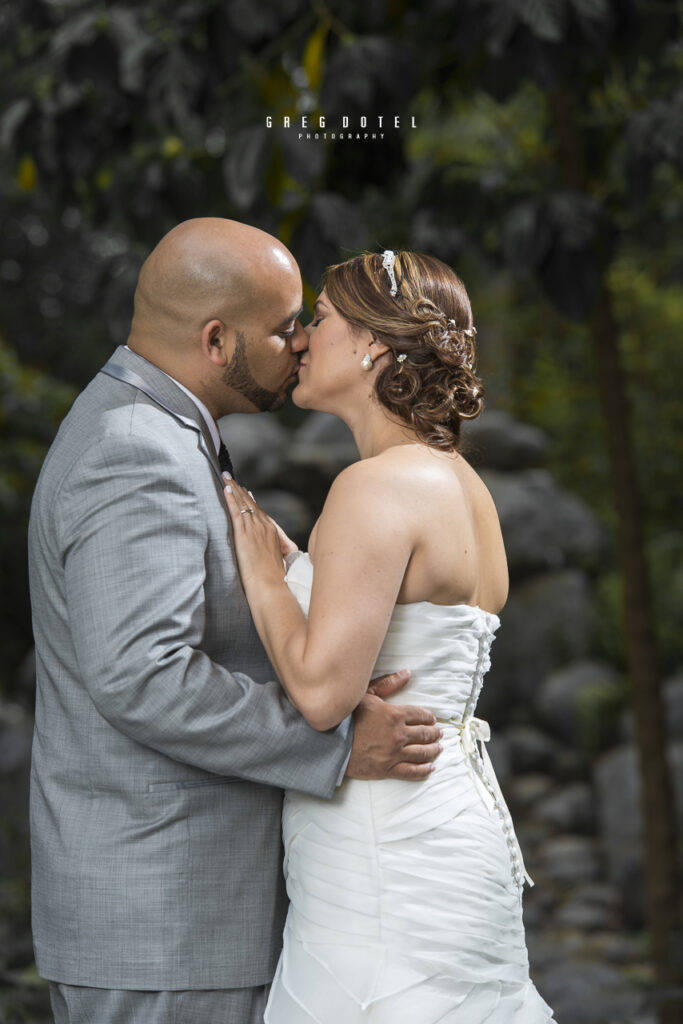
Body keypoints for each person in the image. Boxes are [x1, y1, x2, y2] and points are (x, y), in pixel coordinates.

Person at [27, 220, 443, 1024]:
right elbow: (143, 678)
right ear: (216, 341)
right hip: (165, 924)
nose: (299, 344)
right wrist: (335, 739)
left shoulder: (158, 431)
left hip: (183, 921)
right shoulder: (135, 450)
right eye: (285, 326)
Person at [222, 249, 557, 1022]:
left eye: (321, 319)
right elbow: (396, 621)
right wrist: (305, 565)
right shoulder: (460, 484)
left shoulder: (372, 486)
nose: (302, 338)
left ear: (373, 342)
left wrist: (266, 578)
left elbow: (320, 694)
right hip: (446, 824)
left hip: (384, 846)